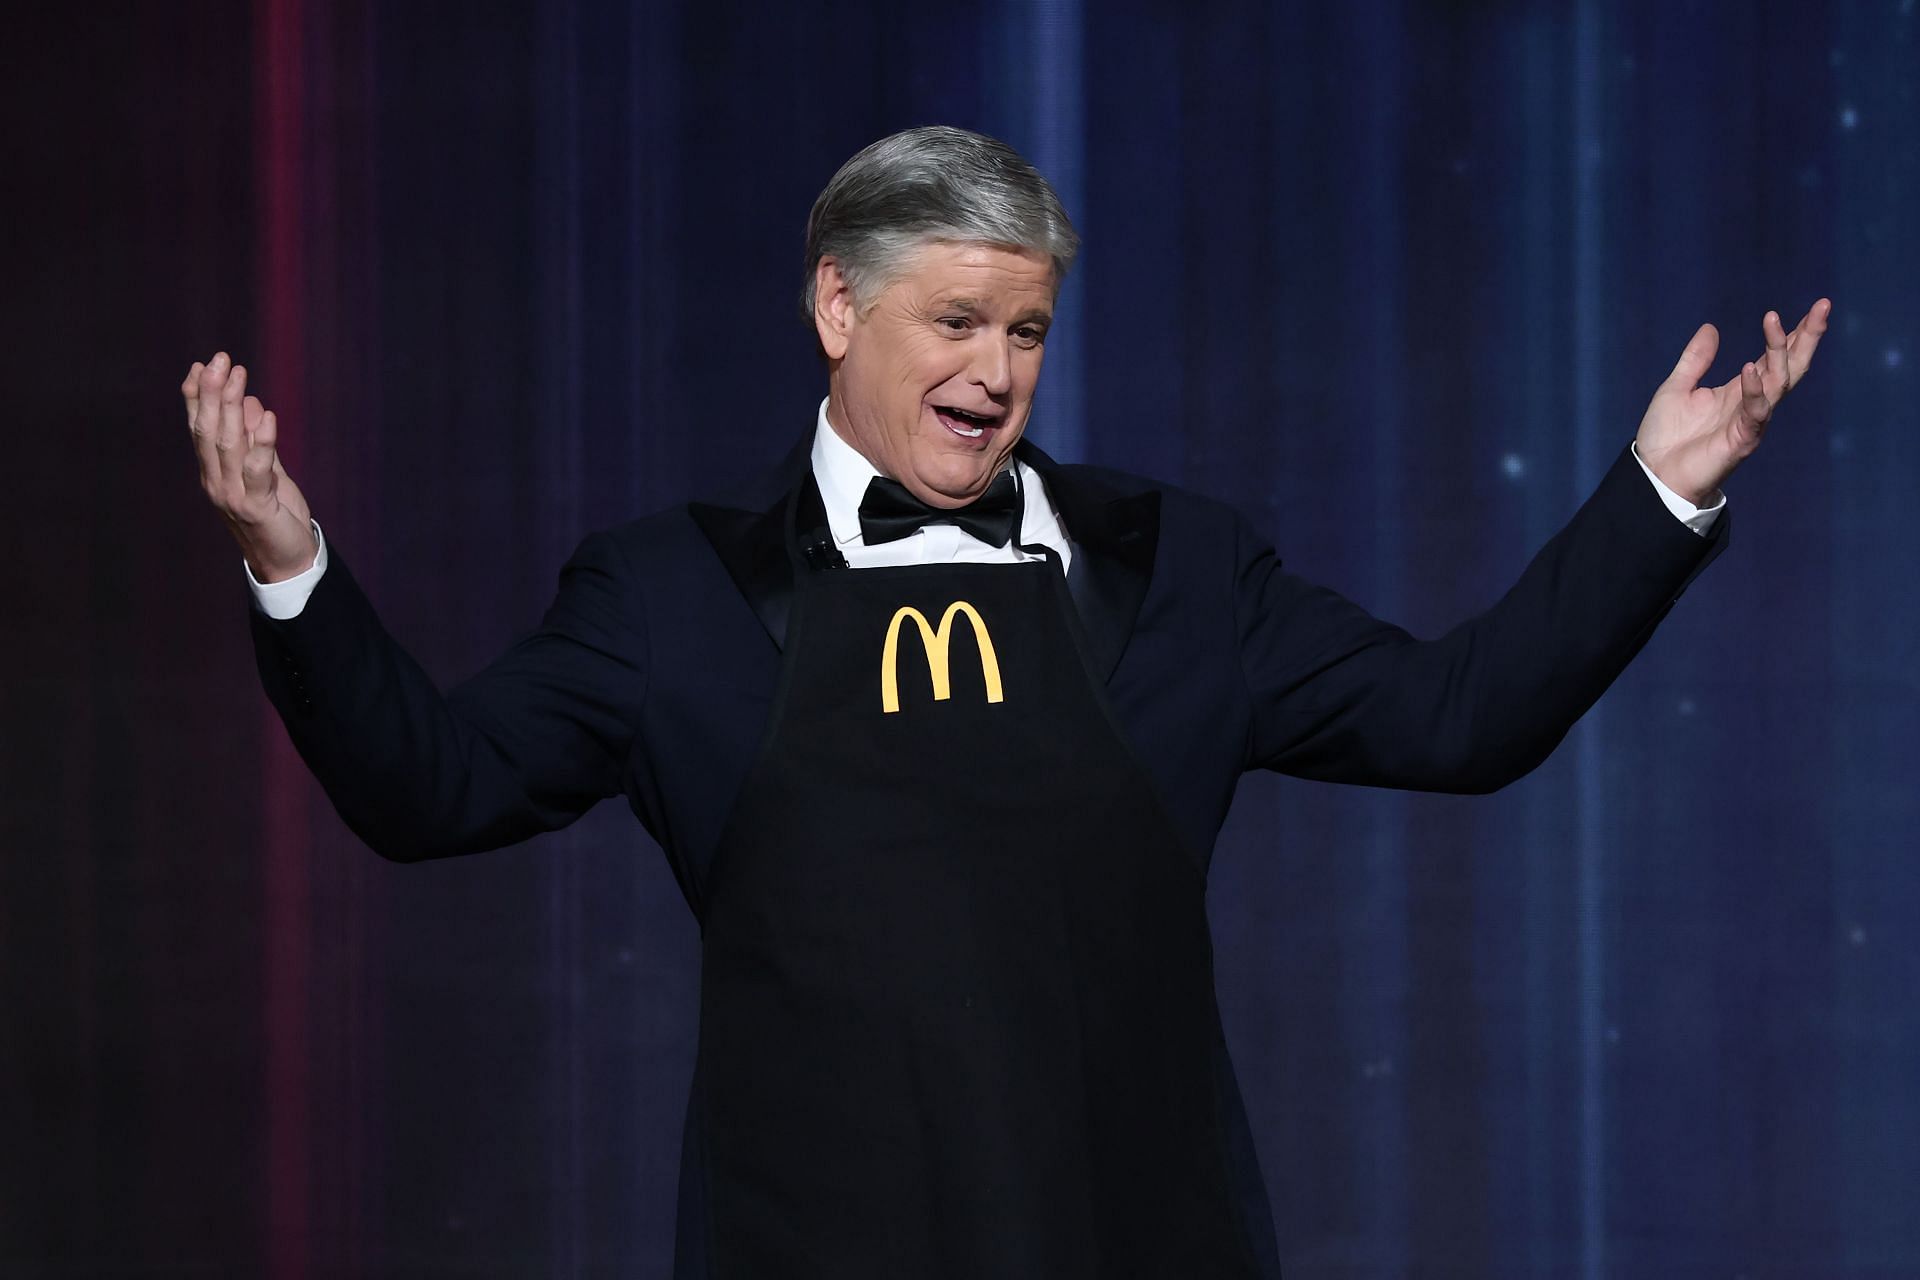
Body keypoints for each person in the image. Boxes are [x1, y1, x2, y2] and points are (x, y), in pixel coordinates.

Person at [183, 126, 1829, 1279]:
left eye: (1027, 330)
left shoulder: (1184, 566)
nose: (996, 371)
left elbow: (1461, 722)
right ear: (838, 307)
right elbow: (431, 791)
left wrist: (1653, 498)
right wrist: (291, 560)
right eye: (956, 321)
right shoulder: (666, 595)